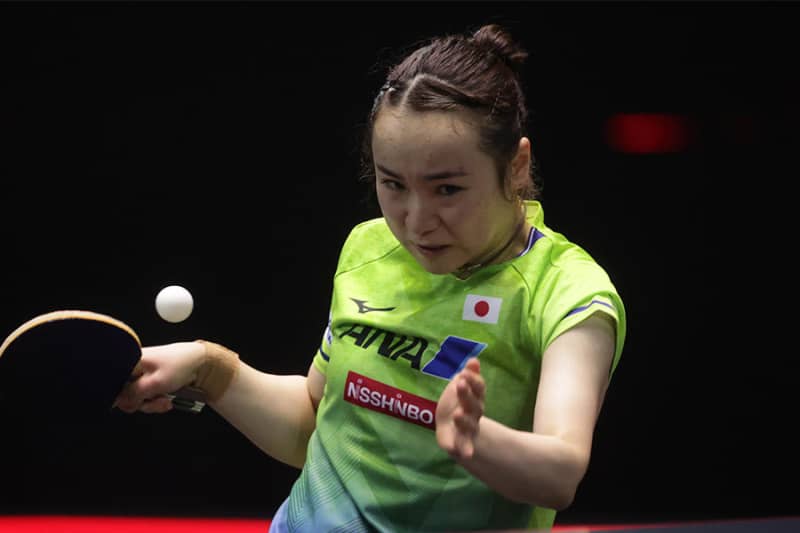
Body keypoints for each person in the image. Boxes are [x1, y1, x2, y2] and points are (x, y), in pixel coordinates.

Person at [115, 23, 626, 532]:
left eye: (447, 189)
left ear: (516, 165)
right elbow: (313, 423)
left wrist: (478, 440)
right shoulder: (370, 247)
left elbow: (561, 471)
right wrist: (206, 367)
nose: (416, 221)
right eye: (393, 184)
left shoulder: (568, 294)